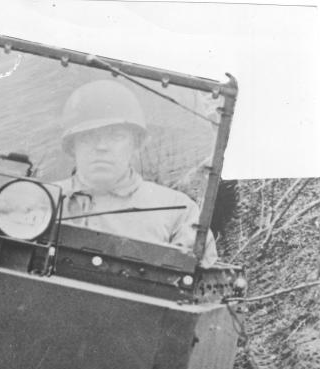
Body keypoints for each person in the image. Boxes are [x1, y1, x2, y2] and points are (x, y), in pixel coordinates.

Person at [56, 79, 218, 266]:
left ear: (136, 144)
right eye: (87, 137)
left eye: (116, 136)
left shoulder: (177, 210)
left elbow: (197, 284)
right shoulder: (38, 201)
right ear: (71, 146)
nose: (101, 146)